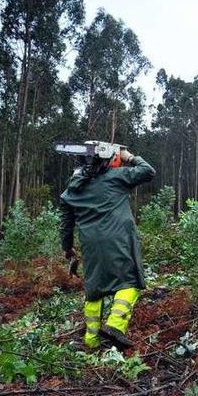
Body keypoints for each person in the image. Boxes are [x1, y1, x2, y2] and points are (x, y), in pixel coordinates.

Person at [60, 148, 156, 350]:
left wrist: (68, 249)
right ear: (109, 158)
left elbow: (66, 225)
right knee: (130, 282)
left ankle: (91, 342)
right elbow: (147, 171)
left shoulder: (72, 188)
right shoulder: (116, 177)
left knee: (94, 291)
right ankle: (115, 325)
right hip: (118, 239)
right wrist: (129, 155)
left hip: (90, 245)